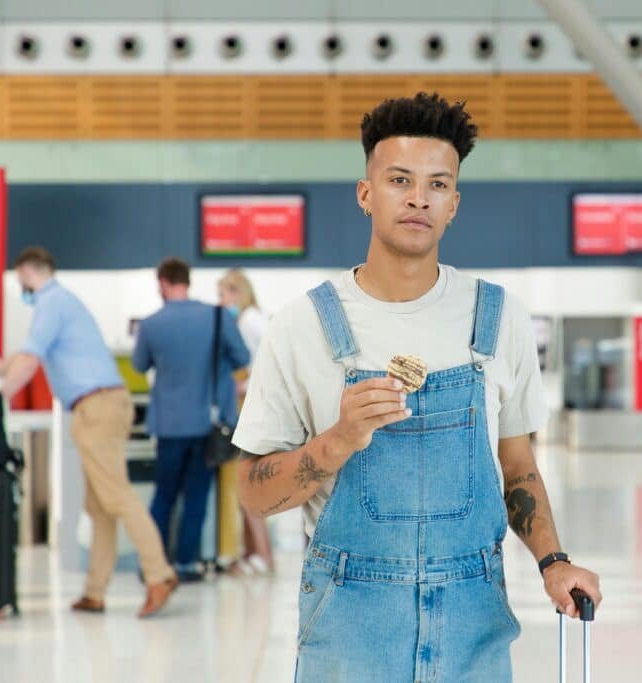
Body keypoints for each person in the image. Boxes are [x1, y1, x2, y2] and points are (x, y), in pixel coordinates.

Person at [233, 93, 603, 681]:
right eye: (399, 179)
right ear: (365, 193)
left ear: (453, 204)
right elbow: (251, 496)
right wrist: (335, 442)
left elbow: (518, 466)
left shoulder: (497, 317)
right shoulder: (303, 325)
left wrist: (553, 562)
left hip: (474, 629)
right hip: (348, 633)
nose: (417, 198)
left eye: (437, 185)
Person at [0, 247, 178, 617]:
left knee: (116, 496)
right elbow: (21, 356)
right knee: (100, 504)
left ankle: (159, 574)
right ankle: (95, 591)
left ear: (26, 272)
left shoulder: (51, 303)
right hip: (102, 405)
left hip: (97, 407)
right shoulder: (61, 302)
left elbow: (27, 362)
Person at [132, 258, 250, 582]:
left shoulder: (151, 324)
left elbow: (140, 365)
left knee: (164, 495)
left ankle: (155, 565)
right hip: (206, 423)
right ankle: (186, 563)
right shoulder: (216, 317)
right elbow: (242, 357)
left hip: (168, 424)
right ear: (188, 281)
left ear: (162, 283)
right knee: (197, 495)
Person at [216, 269, 276, 576]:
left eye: (224, 294)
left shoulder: (252, 320)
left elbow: (272, 359)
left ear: (237, 292)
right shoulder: (246, 320)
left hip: (254, 412)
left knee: (249, 485)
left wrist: (244, 385)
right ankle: (255, 553)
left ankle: (262, 556)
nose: (221, 301)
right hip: (248, 410)